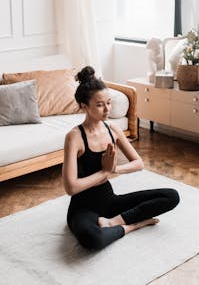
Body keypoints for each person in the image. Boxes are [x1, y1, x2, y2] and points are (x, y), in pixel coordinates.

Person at [62, 66, 180, 250]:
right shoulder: (74, 137)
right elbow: (71, 187)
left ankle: (114, 222)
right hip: (83, 208)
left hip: (109, 201)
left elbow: (138, 163)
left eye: (108, 102)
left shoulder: (113, 129)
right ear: (84, 106)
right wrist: (104, 172)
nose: (107, 109)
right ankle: (132, 225)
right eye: (100, 104)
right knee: (92, 239)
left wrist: (115, 170)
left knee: (171, 196)